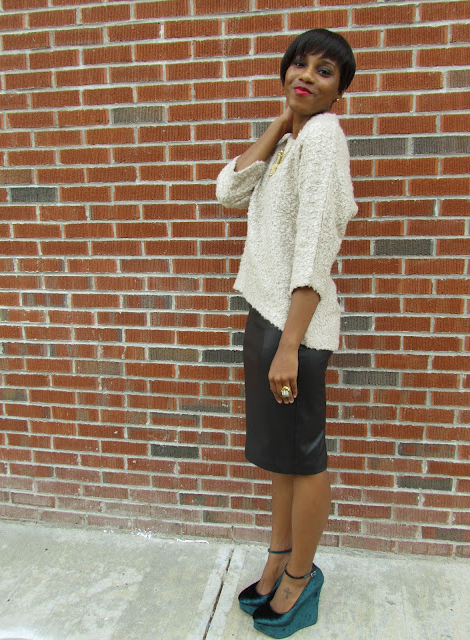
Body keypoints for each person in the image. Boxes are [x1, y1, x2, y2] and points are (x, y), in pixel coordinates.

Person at [216, 28, 358, 638]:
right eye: (299, 65)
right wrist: (282, 122)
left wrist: (292, 345)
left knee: (304, 459)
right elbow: (228, 191)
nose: (306, 75)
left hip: (294, 328)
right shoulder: (293, 142)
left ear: (338, 94)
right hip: (267, 317)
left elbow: (315, 245)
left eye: (324, 71)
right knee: (281, 459)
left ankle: (301, 576)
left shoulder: (324, 137)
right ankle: (278, 558)